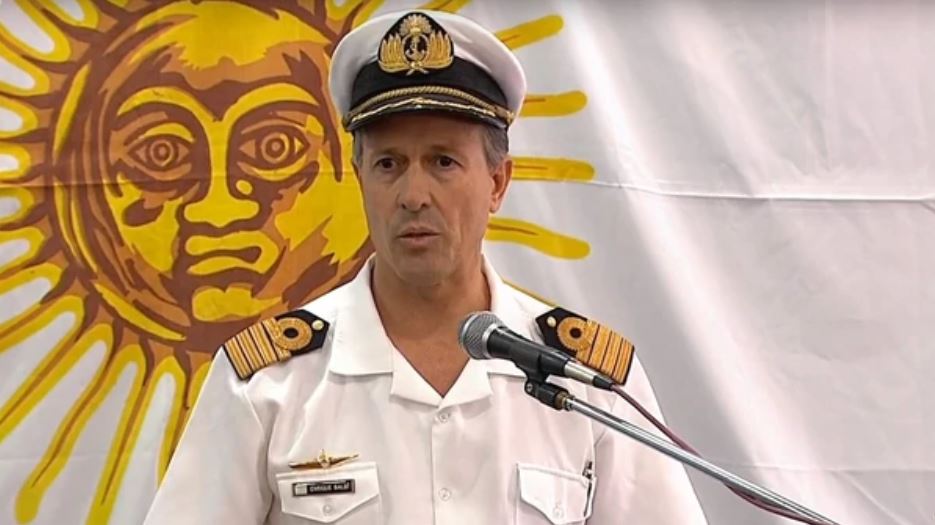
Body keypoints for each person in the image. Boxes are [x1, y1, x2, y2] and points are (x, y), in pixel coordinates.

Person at [143, 9, 708, 525]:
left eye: (443, 162)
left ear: (497, 182)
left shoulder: (584, 380)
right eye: (389, 164)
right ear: (360, 179)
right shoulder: (269, 382)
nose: (414, 195)